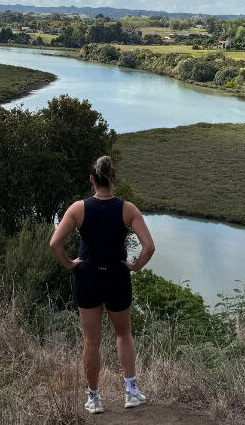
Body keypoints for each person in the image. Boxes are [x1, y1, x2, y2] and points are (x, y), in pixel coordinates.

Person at [49, 155, 156, 415]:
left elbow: (54, 244)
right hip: (117, 279)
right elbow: (149, 247)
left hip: (88, 279)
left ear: (92, 180)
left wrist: (69, 263)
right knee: (123, 334)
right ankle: (131, 393)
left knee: (91, 341)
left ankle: (94, 399)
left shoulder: (78, 209)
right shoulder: (127, 209)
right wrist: (136, 265)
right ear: (113, 179)